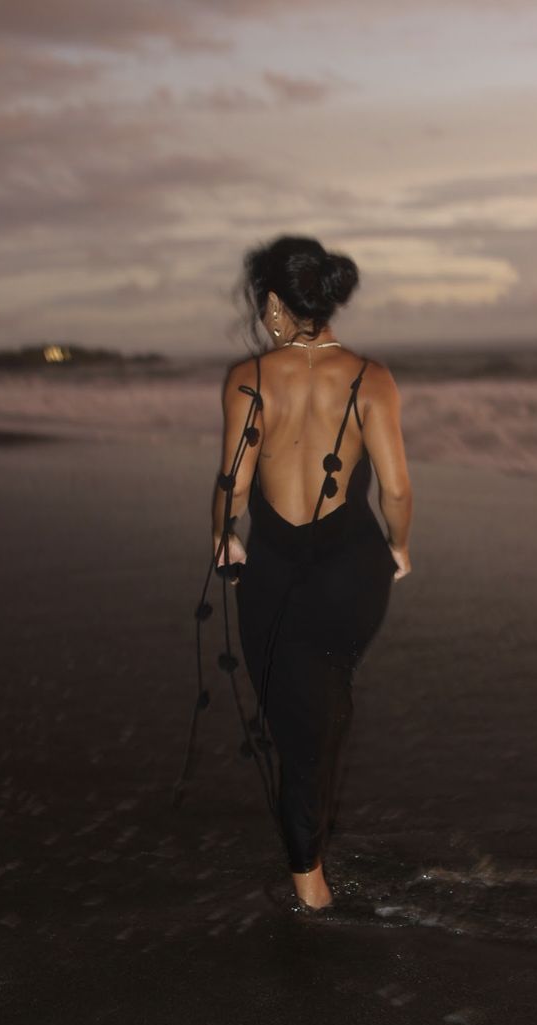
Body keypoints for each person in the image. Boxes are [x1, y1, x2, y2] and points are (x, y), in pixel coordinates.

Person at [211, 235, 412, 911]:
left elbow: (233, 486)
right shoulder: (371, 376)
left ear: (273, 301)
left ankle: (310, 889)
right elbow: (397, 490)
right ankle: (313, 854)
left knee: (296, 724)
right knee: (322, 697)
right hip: (352, 569)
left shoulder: (247, 377)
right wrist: (402, 547)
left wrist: (223, 538)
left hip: (275, 565)